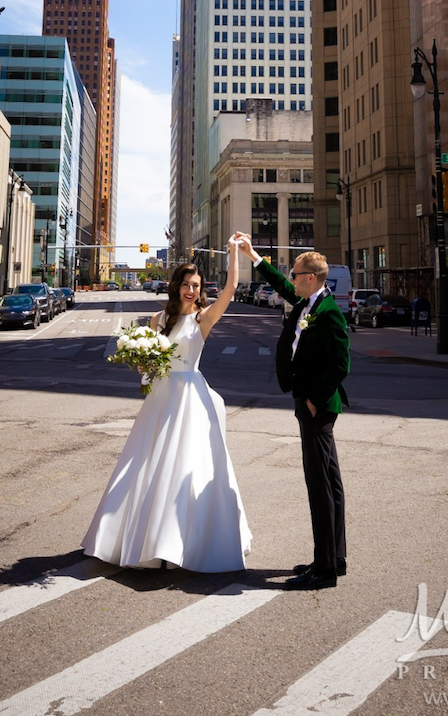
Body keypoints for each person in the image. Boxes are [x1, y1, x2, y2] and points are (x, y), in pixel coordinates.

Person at [81, 241, 251, 572]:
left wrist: (232, 253)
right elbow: (149, 361)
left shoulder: (203, 319)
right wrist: (144, 369)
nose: (191, 290)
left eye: (196, 286)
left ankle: (178, 543)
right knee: (145, 463)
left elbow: (231, 288)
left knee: (186, 465)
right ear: (176, 286)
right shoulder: (157, 318)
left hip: (190, 398)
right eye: (186, 284)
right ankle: (139, 540)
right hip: (160, 396)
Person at [233, 233, 349, 590]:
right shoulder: (306, 304)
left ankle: (324, 570)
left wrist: (315, 397)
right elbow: (280, 283)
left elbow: (341, 363)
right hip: (310, 403)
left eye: (297, 273)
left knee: (320, 487)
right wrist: (253, 255)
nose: (292, 277)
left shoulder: (328, 313)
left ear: (311, 278)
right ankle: (334, 558)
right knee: (330, 483)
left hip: (317, 407)